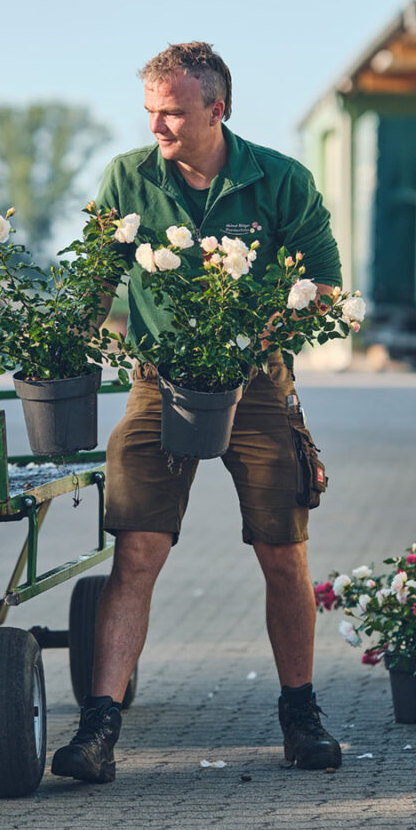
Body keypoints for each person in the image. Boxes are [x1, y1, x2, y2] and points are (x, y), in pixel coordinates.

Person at [51, 42, 343, 784]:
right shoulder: (128, 178)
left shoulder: (280, 181)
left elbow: (328, 291)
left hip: (258, 384)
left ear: (218, 109)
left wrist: (269, 337)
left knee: (283, 553)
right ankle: (98, 729)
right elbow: (93, 278)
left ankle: (300, 714)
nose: (158, 127)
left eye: (173, 113)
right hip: (159, 383)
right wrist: (59, 347)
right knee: (138, 552)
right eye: (150, 113)